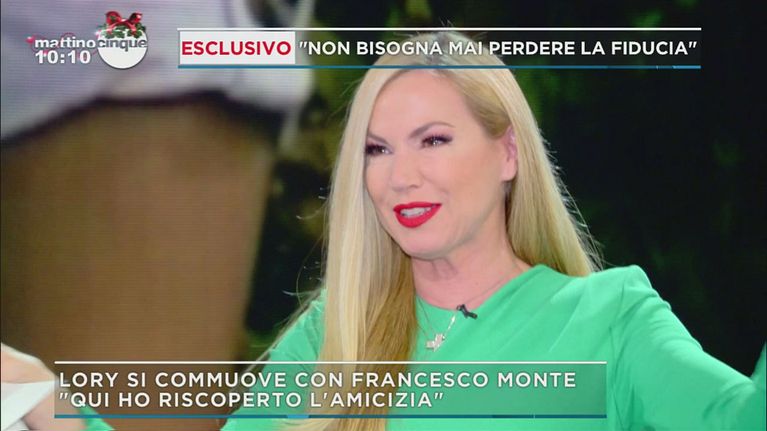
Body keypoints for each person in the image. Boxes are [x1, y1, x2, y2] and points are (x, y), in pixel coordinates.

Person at [3, 31, 765, 431]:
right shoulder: (330, 334)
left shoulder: (611, 320)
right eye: (375, 149)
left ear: (506, 153)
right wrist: (42, 395)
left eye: (432, 140)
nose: (399, 176)